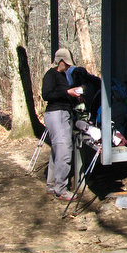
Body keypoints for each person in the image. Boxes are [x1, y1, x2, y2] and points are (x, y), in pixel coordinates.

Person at [42, 47, 82, 201]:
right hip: (56, 115)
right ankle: (61, 189)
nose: (69, 67)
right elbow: (47, 95)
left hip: (64, 114)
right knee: (64, 150)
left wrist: (75, 97)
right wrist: (67, 93)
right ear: (61, 61)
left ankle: (52, 185)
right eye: (67, 64)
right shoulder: (51, 75)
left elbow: (63, 95)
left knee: (57, 151)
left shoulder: (63, 76)